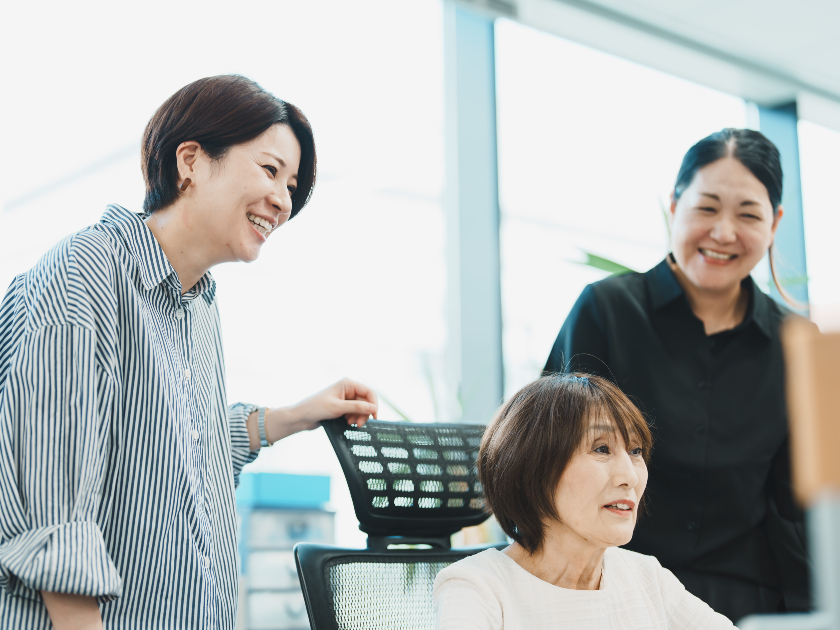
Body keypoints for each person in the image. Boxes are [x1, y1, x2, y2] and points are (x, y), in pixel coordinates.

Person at [0, 75, 378, 629]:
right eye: (270, 170)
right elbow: (52, 505)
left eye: (292, 185)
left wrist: (295, 416)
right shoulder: (87, 274)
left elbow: (178, 451)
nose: (283, 200)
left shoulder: (197, 304)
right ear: (192, 161)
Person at [544, 128, 809, 622]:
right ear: (674, 204)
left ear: (774, 222)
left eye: (748, 214)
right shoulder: (606, 311)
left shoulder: (798, 343)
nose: (724, 232)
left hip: (746, 604)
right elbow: (549, 459)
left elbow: (802, 505)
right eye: (707, 207)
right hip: (613, 593)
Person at [433, 373, 733, 629]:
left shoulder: (644, 577)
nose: (629, 475)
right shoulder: (478, 588)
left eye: (635, 451)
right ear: (535, 471)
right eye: (601, 449)